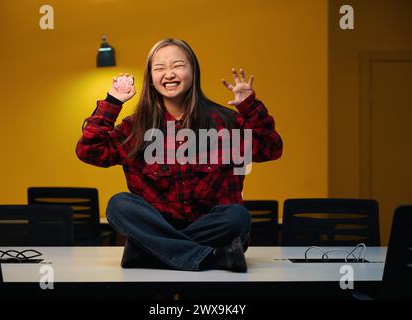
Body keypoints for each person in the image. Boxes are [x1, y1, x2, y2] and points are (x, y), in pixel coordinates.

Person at [76, 38, 283, 272]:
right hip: (178, 231)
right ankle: (212, 258)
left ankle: (153, 252)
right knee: (118, 205)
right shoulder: (136, 127)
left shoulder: (225, 122)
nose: (169, 74)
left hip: (210, 228)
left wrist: (250, 107)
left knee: (237, 216)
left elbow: (270, 148)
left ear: (193, 72)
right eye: (160, 68)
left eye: (177, 65)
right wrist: (112, 102)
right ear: (151, 79)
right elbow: (89, 151)